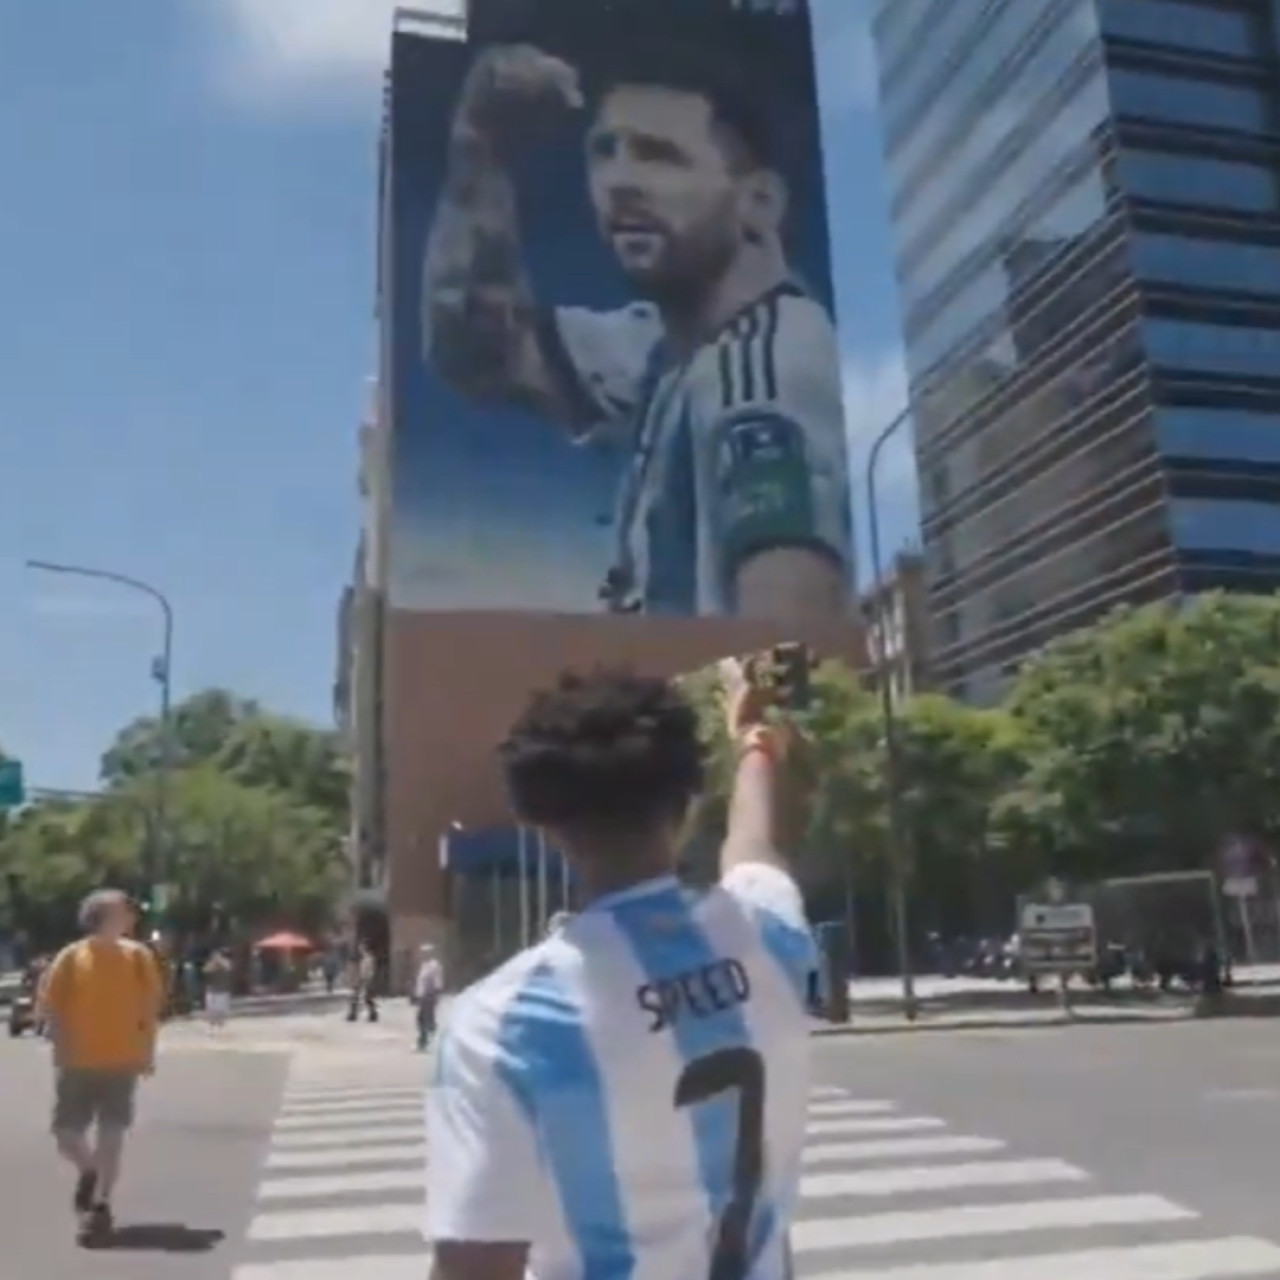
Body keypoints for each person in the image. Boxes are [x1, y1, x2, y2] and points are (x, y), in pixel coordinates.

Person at [423, 42, 851, 619]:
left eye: (659, 155)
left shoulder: (767, 369)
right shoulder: (663, 348)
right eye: (605, 152)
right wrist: (479, 146)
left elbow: (789, 634)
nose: (619, 181)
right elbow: (473, 345)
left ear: (760, 201)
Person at [426, 662, 816, 1280]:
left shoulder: (501, 1025)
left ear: (543, 825)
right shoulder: (769, 936)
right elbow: (754, 844)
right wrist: (754, 742)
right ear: (686, 804)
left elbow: (475, 1267)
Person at [39, 889, 163, 1240]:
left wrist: (147, 1052)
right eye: (125, 910)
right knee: (66, 1134)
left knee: (112, 1133)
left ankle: (100, 1204)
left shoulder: (139, 957)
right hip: (78, 1059)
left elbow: (149, 1011)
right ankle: (89, 1171)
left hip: (122, 1059)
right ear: (103, 915)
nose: (131, 917)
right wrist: (61, 1048)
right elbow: (52, 1006)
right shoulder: (71, 957)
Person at [413, 944, 444, 1051]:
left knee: (423, 1019)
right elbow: (420, 982)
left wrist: (435, 995)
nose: (422, 955)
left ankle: (424, 1041)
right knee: (424, 1019)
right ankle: (427, 1039)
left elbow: (437, 982)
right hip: (422, 996)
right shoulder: (424, 965)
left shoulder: (434, 965)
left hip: (429, 996)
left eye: (424, 953)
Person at [202, 950, 233, 1031]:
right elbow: (205, 971)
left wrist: (219, 962)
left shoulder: (226, 964)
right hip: (212, 991)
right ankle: (211, 1025)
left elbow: (228, 969)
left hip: (222, 991)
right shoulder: (210, 965)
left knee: (221, 1010)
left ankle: (220, 1025)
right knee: (211, 1009)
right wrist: (213, 964)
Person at [347, 945, 378, 1023]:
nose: (360, 950)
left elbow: (369, 970)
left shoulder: (368, 959)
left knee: (365, 997)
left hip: (365, 980)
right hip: (361, 979)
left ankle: (372, 1014)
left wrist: (367, 979)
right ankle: (354, 1014)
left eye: (362, 949)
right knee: (358, 997)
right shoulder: (363, 959)